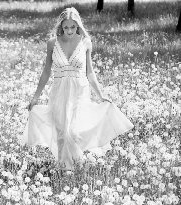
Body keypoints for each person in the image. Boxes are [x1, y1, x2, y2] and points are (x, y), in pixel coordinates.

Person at [22, 7, 134, 170]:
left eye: (72, 27)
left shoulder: (85, 42)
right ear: (60, 26)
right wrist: (35, 97)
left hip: (79, 91)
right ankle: (65, 168)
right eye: (65, 27)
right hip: (59, 92)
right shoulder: (52, 43)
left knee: (74, 131)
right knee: (62, 132)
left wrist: (100, 95)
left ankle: (75, 165)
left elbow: (90, 72)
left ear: (78, 26)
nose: (69, 30)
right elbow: (46, 71)